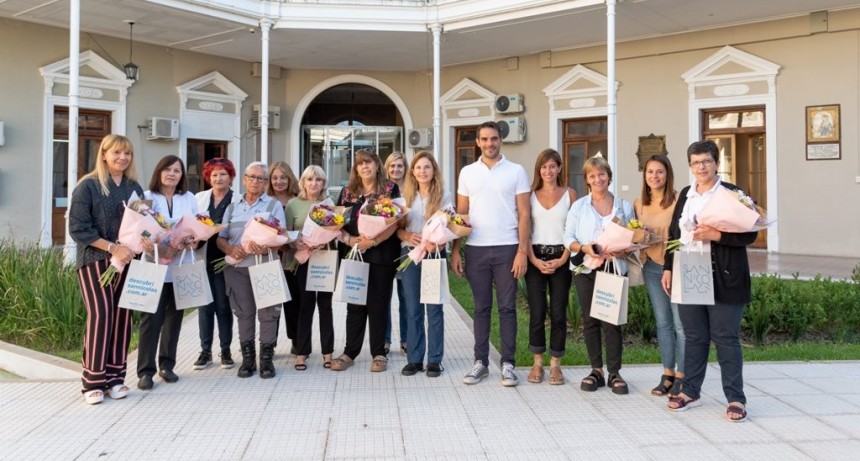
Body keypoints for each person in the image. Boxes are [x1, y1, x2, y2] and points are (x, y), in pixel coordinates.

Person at [663, 140, 756, 422]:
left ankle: (736, 398)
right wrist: (668, 268)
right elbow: (673, 232)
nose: (700, 167)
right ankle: (690, 390)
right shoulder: (686, 195)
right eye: (695, 162)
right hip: (690, 271)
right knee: (694, 336)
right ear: (690, 166)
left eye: (706, 161)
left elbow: (751, 232)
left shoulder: (733, 193)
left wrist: (718, 236)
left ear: (716, 163)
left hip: (725, 275)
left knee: (725, 337)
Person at [452, 121, 530, 387]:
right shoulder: (467, 173)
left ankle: (508, 364)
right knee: (481, 307)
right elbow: (461, 218)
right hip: (476, 249)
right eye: (484, 139)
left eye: (494, 138)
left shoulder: (516, 171)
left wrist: (522, 251)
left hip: (508, 247)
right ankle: (480, 363)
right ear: (477, 142)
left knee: (508, 308)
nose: (489, 144)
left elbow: (525, 214)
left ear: (500, 140)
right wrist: (456, 251)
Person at [69, 134, 143, 404]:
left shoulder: (134, 187)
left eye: (127, 154)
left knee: (123, 317)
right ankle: (93, 381)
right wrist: (113, 249)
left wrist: (143, 240)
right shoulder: (87, 186)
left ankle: (115, 378)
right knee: (101, 315)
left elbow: (142, 222)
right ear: (103, 154)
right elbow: (78, 228)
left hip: (128, 261)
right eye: (117, 153)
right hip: (94, 260)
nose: (122, 158)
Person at [563, 155, 634, 395]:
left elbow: (634, 237)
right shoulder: (579, 206)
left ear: (609, 177)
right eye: (592, 175)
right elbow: (568, 238)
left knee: (612, 321)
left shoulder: (623, 206)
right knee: (590, 321)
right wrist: (584, 248)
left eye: (602, 174)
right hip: (586, 269)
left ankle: (615, 371)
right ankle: (596, 370)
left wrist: (622, 249)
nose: (598, 178)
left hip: (613, 268)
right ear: (587, 180)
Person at [330, 149, 400, 373]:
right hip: (354, 254)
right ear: (356, 169)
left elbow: (395, 222)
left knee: (378, 305)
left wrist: (374, 241)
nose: (364, 167)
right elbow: (336, 223)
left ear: (377, 165)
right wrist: (350, 240)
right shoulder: (347, 192)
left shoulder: (389, 189)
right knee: (355, 304)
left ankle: (379, 353)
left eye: (368, 163)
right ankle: (350, 352)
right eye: (360, 164)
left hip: (381, 255)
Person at [217, 162, 287, 379]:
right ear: (244, 179)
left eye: (261, 179)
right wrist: (230, 248)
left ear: (266, 183)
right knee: (243, 313)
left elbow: (282, 237)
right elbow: (221, 238)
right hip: (237, 269)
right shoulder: (232, 206)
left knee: (268, 314)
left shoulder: (273, 206)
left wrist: (268, 245)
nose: (255, 182)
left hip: (265, 266)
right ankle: (248, 359)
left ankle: (266, 360)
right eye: (252, 177)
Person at [136, 155, 199, 391]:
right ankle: (145, 371)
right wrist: (144, 241)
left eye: (177, 170)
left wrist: (191, 241)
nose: (172, 174)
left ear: (182, 175)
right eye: (167, 169)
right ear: (159, 172)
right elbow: (138, 228)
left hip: (180, 264)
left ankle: (167, 365)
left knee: (175, 316)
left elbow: (197, 227)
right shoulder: (147, 197)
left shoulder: (189, 198)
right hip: (153, 264)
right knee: (151, 318)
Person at [396, 151, 453, 378]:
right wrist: (407, 236)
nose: (422, 171)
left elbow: (451, 226)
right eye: (418, 167)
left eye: (427, 167)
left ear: (433, 170)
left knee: (434, 308)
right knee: (413, 309)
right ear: (413, 172)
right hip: (409, 256)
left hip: (433, 255)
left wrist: (437, 244)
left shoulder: (444, 195)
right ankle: (415, 359)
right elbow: (396, 228)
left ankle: (435, 360)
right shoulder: (404, 195)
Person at [633, 154, 683, 396]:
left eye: (660, 171)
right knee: (663, 323)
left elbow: (680, 236)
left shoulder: (677, 200)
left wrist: (670, 267)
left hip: (674, 267)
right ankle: (667, 374)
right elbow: (632, 236)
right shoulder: (638, 203)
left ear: (668, 174)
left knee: (681, 325)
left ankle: (683, 375)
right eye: (650, 171)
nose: (655, 176)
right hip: (652, 267)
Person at [525, 149, 576, 385]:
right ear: (539, 170)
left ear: (559, 168)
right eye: (544, 167)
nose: (548, 171)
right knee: (537, 312)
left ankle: (555, 364)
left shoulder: (570, 195)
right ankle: (537, 362)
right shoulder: (530, 196)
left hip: (561, 256)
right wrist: (533, 259)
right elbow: (523, 229)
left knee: (557, 312)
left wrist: (565, 257)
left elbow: (574, 229)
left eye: (552, 166)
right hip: (535, 256)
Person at [285, 165, 335, 371]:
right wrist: (296, 242)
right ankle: (302, 352)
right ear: (303, 182)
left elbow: (336, 230)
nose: (314, 184)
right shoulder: (293, 204)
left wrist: (325, 240)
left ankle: (328, 352)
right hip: (303, 260)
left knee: (325, 306)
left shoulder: (329, 203)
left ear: (324, 183)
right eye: (310, 179)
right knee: (305, 306)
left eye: (319, 180)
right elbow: (286, 233)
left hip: (324, 259)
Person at [192, 158, 237, 371]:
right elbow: (192, 226)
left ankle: (226, 350)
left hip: (226, 260)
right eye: (214, 175)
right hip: (203, 257)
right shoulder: (199, 198)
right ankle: (205, 351)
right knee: (205, 306)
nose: (218, 178)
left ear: (231, 177)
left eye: (223, 174)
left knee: (223, 306)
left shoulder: (237, 200)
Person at [268, 161, 301, 354]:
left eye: (283, 177)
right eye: (275, 178)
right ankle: (269, 342)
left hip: (293, 257)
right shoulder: (266, 201)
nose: (279, 181)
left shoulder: (298, 199)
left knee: (293, 301)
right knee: (272, 301)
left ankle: (296, 339)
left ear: (290, 179)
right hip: (271, 256)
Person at [384, 152, 409, 355]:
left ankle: (407, 339)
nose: (396, 170)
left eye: (399, 166)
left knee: (405, 296)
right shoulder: (382, 191)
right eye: (392, 166)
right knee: (384, 297)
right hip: (384, 248)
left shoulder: (411, 190)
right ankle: (384, 340)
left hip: (405, 249)